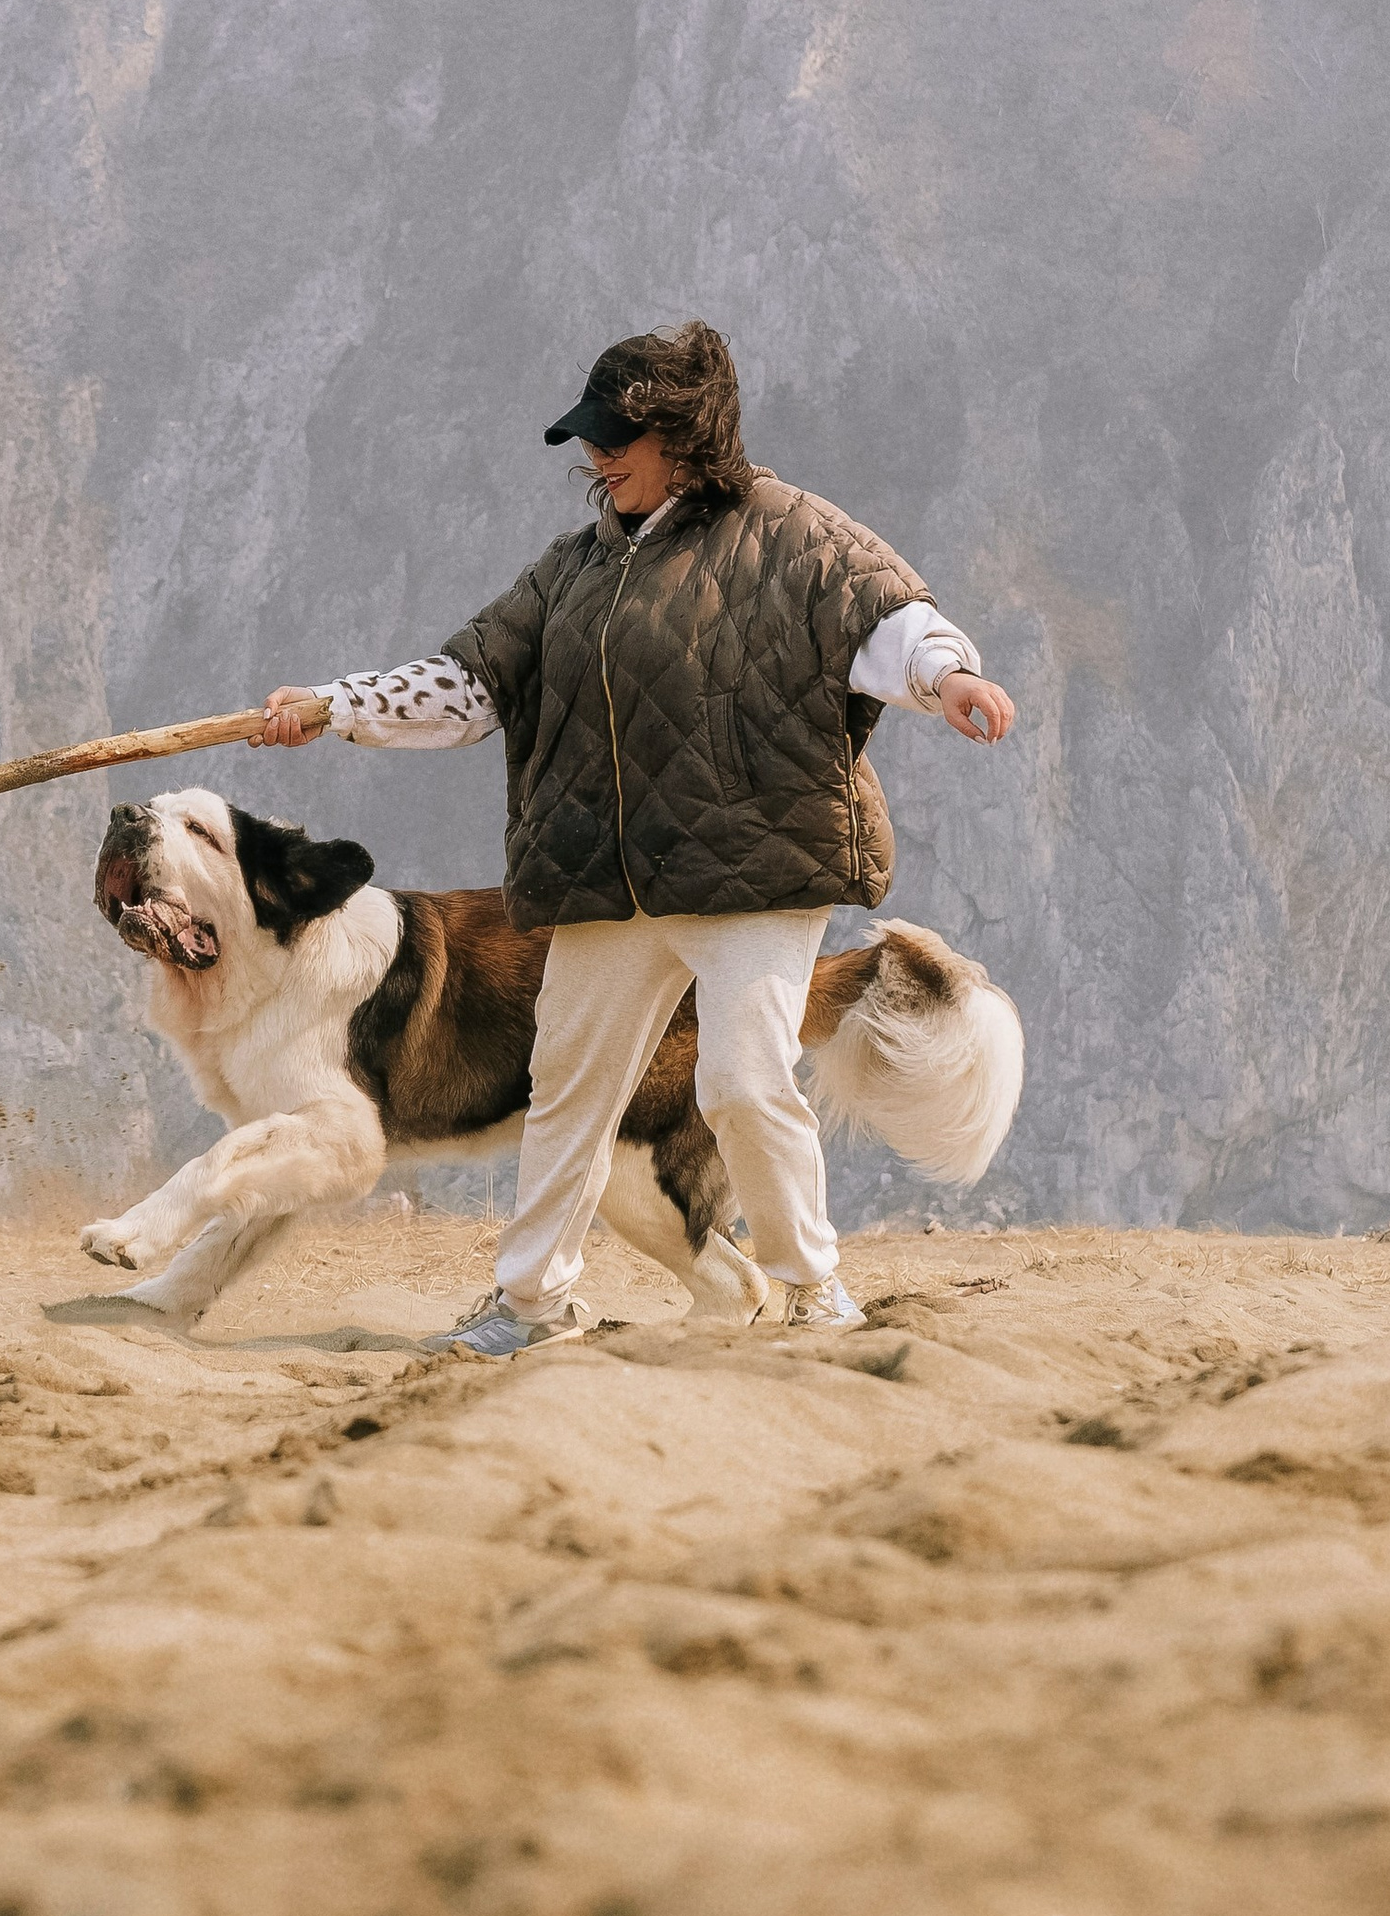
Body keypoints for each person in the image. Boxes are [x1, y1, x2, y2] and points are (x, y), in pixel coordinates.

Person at [253, 321, 1014, 1357]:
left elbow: (891, 620)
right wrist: (334, 706)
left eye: (620, 436)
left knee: (743, 1081)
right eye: (592, 438)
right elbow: (469, 684)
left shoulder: (794, 534)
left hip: (754, 867)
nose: (597, 456)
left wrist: (950, 676)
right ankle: (529, 1305)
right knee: (566, 1093)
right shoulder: (573, 570)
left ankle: (807, 1289)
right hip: (607, 877)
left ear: (688, 436)